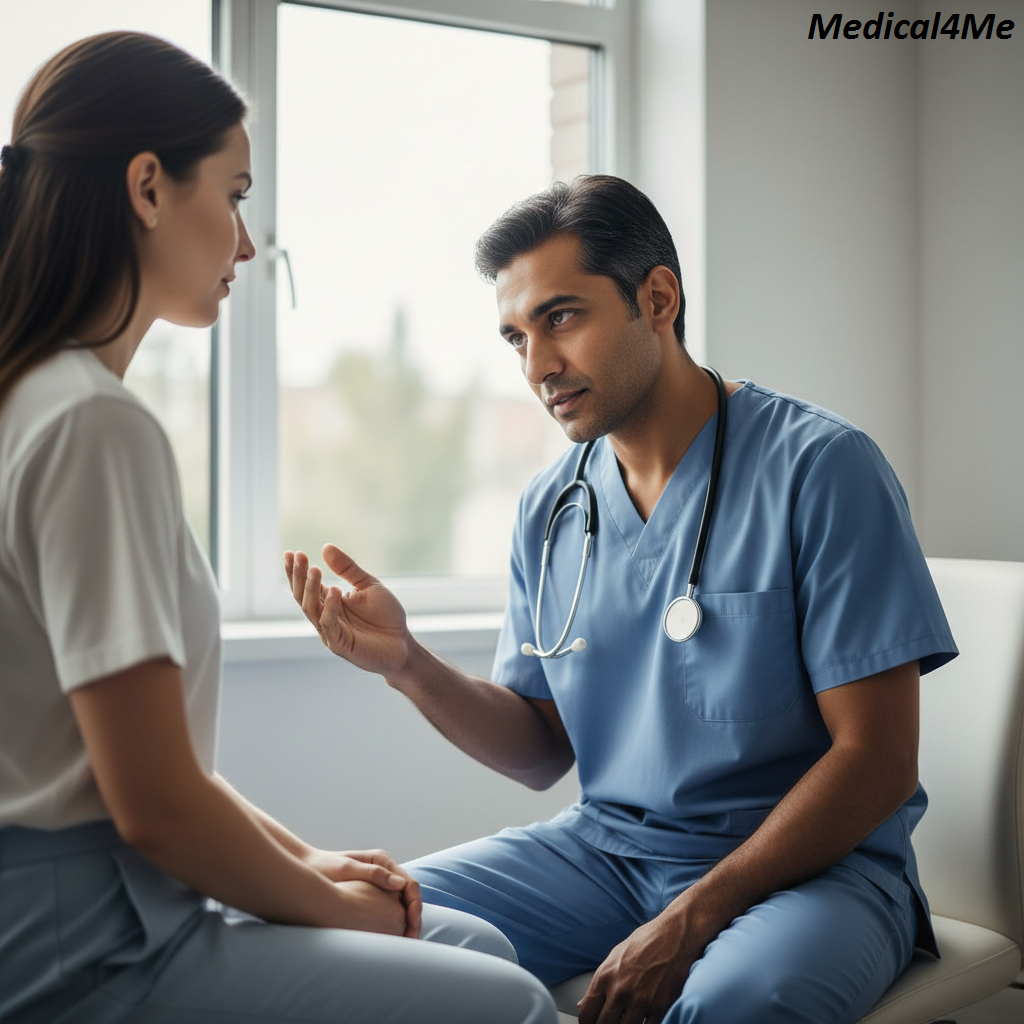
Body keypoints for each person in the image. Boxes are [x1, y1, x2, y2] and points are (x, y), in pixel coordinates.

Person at [286, 174, 960, 1024]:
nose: (537, 366)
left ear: (658, 297)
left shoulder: (820, 469)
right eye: (515, 337)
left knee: (727, 1008)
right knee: (364, 927)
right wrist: (408, 664)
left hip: (816, 874)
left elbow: (879, 760)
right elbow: (541, 753)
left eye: (560, 318)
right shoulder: (551, 507)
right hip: (604, 854)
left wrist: (694, 915)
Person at [0, 31, 558, 1024]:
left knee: (469, 936)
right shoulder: (91, 423)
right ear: (147, 187)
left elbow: (146, 763)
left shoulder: (39, 399)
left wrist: (311, 858)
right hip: (82, 942)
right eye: (238, 193)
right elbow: (156, 805)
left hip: (102, 897)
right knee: (509, 1000)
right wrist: (336, 908)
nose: (249, 247)